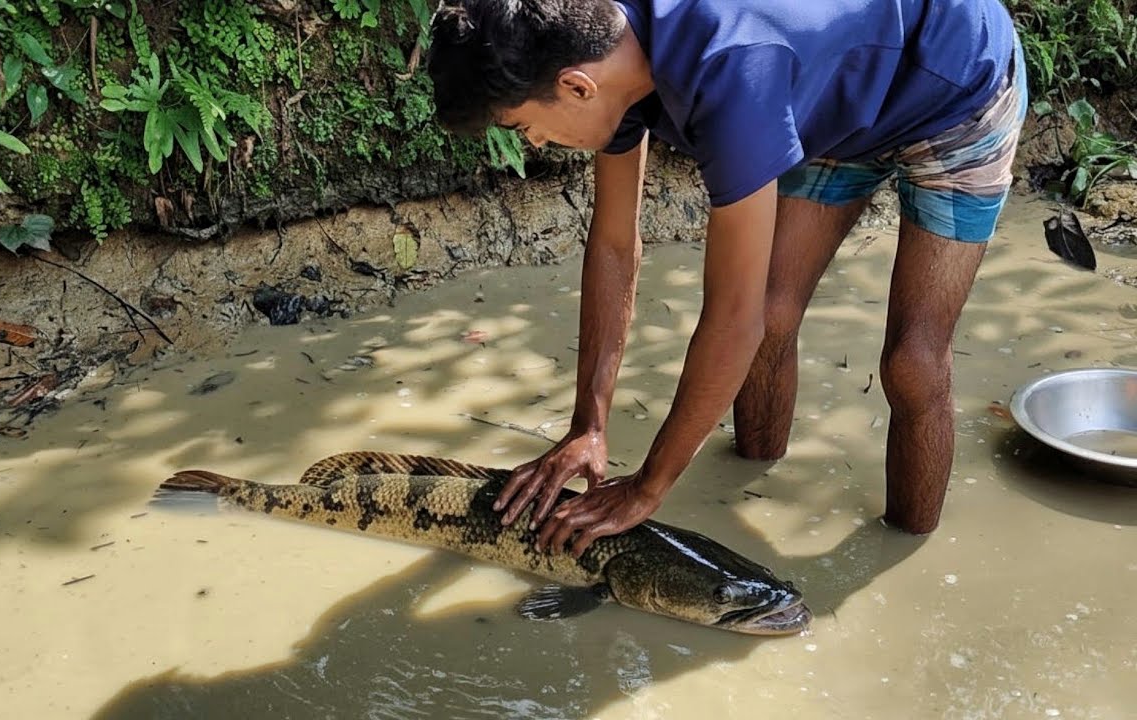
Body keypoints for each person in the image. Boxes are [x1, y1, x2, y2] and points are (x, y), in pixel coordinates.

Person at [426, 0, 1027, 556]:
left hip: (955, 92)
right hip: (830, 99)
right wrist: (589, 426)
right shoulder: (600, 40)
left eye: (524, 126)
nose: (533, 142)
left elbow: (731, 321)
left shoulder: (732, 73)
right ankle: (749, 471)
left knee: (913, 361)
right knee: (774, 313)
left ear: (576, 87)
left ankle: (906, 555)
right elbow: (614, 244)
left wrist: (648, 488)